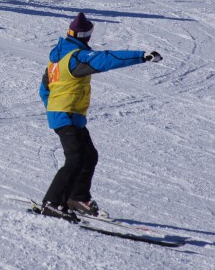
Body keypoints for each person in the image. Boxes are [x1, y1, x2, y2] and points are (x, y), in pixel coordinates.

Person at [38, 12, 162, 221]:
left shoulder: (56, 62)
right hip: (66, 115)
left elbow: (44, 90)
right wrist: (142, 55)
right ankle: (52, 202)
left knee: (89, 156)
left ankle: (77, 198)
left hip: (68, 115)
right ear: (86, 36)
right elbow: (106, 59)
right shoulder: (77, 57)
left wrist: (53, 109)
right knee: (76, 159)